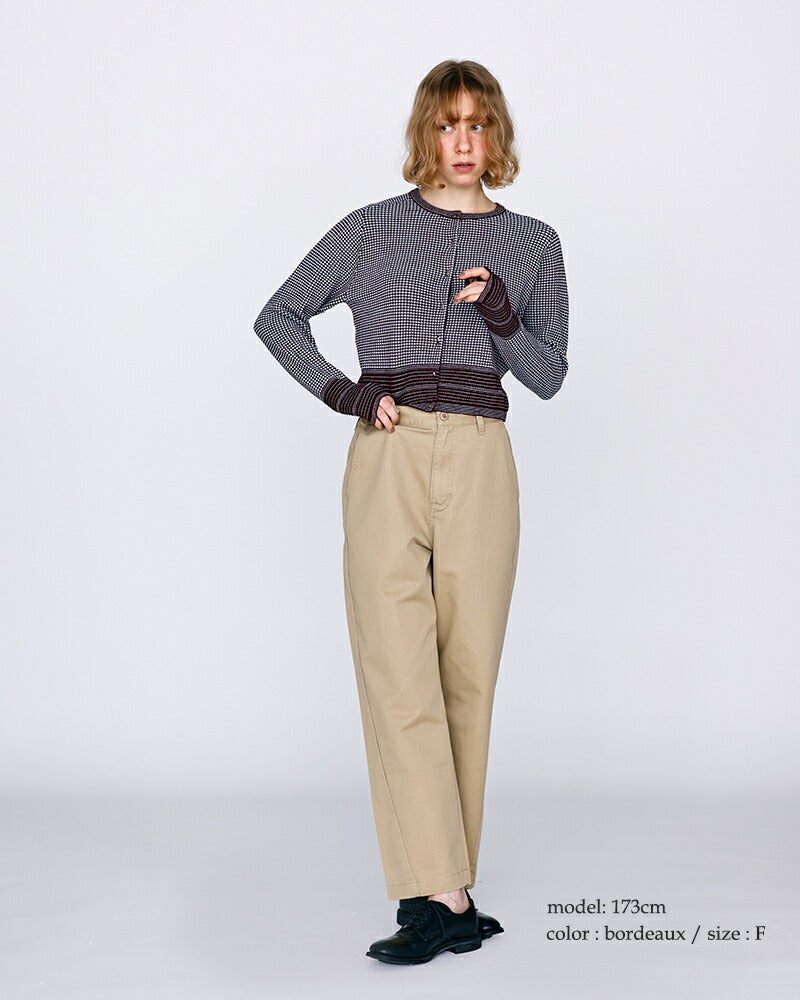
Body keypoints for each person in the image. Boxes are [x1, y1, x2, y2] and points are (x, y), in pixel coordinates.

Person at [253, 59, 569, 965]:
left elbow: (549, 376)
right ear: (425, 133)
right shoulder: (372, 229)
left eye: (478, 123)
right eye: (446, 123)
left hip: (481, 455)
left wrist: (503, 314)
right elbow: (279, 315)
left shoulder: (535, 242)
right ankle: (446, 893)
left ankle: (439, 895)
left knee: (466, 676)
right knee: (398, 674)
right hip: (388, 454)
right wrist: (344, 393)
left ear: (496, 134)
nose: (463, 141)